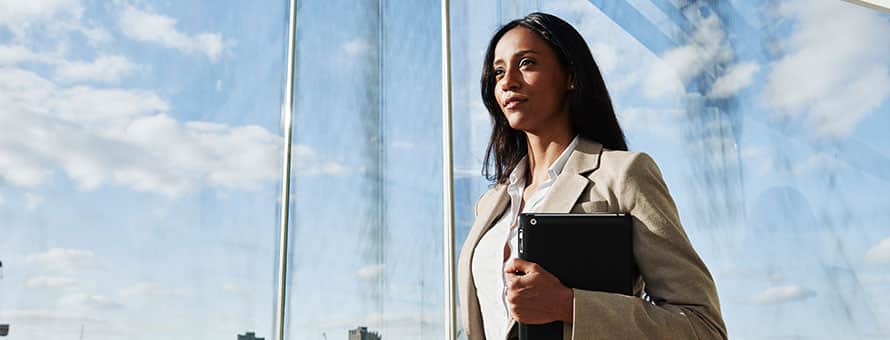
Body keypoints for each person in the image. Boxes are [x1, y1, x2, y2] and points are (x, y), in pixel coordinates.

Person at [457, 12, 727, 340]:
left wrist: (569, 306)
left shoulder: (624, 175)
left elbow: (704, 327)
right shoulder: (491, 204)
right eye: (498, 71)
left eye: (526, 64)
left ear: (570, 75)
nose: (507, 81)